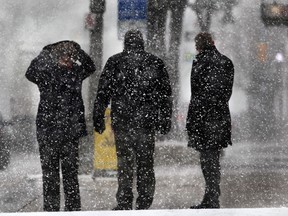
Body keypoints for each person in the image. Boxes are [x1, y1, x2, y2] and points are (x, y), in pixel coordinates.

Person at [93, 29, 172, 210]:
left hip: (123, 121)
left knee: (125, 163)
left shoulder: (115, 62)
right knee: (146, 163)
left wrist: (98, 117)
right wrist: (165, 119)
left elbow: (103, 92)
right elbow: (165, 95)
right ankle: (144, 200)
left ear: (126, 43)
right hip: (146, 122)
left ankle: (124, 200)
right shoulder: (155, 63)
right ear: (142, 42)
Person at [25, 40, 95, 211]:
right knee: (50, 176)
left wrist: (78, 50)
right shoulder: (46, 74)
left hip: (67, 133)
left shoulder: (76, 72)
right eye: (64, 56)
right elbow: (30, 72)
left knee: (70, 176)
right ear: (55, 58)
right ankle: (51, 210)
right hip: (49, 132)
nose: (67, 60)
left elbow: (90, 66)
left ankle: (72, 209)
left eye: (70, 57)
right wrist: (46, 51)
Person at [186, 32, 234, 209]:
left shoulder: (199, 63)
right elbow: (227, 93)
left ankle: (212, 195)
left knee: (207, 158)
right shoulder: (226, 62)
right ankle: (212, 193)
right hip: (219, 116)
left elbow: (196, 93)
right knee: (213, 156)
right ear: (213, 42)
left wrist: (193, 119)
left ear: (198, 46)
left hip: (202, 117)